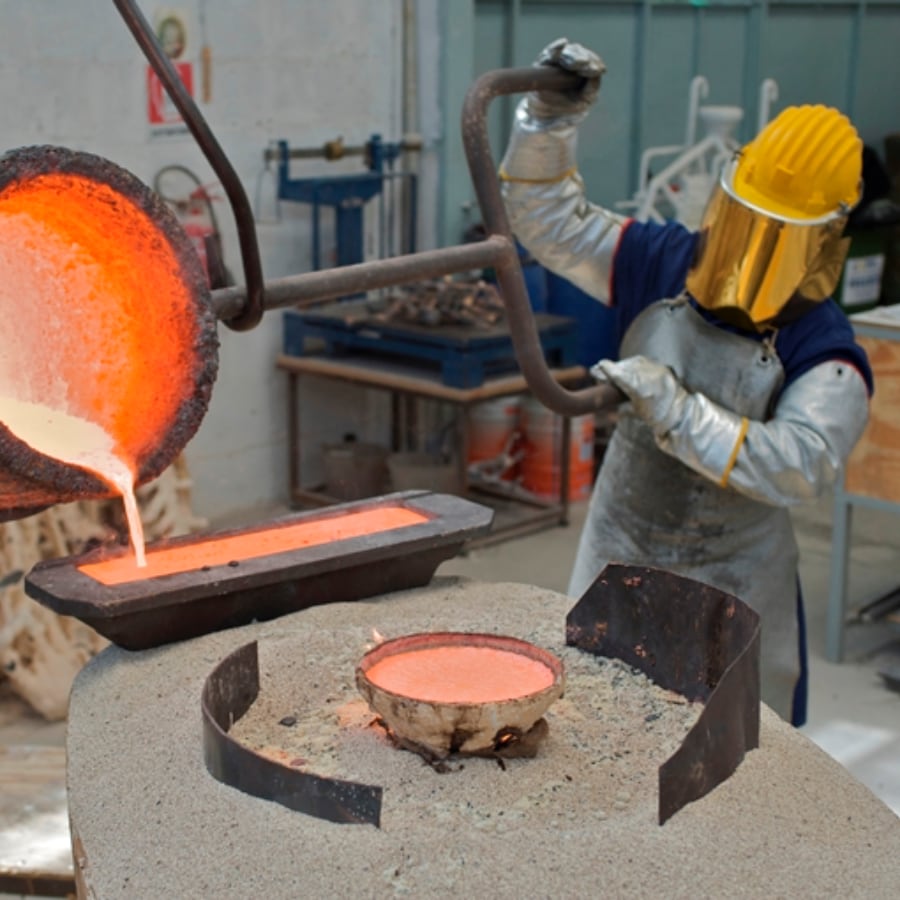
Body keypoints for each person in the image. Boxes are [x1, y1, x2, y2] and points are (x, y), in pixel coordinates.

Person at [499, 38, 873, 726]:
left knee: (726, 771)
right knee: (593, 732)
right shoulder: (664, 261)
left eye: (777, 236)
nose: (751, 252)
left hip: (734, 587)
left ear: (824, 243)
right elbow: (549, 224)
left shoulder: (825, 351)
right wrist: (546, 125)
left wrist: (674, 409)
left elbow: (800, 464)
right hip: (616, 554)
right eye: (745, 222)